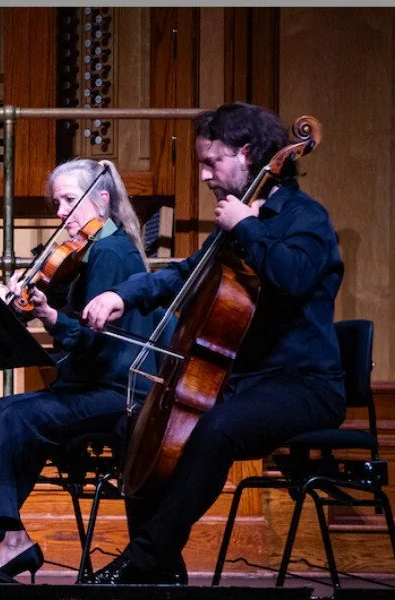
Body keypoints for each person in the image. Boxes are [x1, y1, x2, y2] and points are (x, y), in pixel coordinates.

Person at [82, 102, 345, 584]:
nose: (204, 175)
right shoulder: (235, 222)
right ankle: (163, 568)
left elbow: (295, 276)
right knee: (135, 428)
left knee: (218, 430)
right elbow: (188, 274)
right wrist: (123, 294)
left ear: (246, 153)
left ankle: (142, 563)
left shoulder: (306, 218)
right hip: (241, 382)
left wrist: (246, 225)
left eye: (211, 161)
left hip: (303, 385)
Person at [0, 158, 159, 579]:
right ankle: (11, 538)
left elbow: (94, 343)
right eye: (56, 202)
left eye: (68, 200)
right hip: (80, 389)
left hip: (115, 394)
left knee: (19, 418)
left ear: (101, 200)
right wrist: (16, 304)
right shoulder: (82, 257)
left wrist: (48, 314)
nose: (59, 213)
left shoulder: (112, 252)